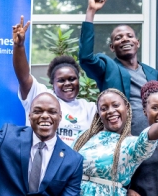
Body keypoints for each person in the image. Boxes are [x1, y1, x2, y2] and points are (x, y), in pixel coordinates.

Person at [78, 0, 158, 135]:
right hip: (121, 140)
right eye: (118, 38)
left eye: (130, 36)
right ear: (112, 47)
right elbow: (85, 58)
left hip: (152, 138)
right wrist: (91, 11)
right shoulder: (107, 68)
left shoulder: (153, 74)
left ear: (137, 42)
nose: (125, 39)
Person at [12, 15, 97, 146]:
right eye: (61, 80)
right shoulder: (41, 95)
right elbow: (23, 77)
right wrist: (19, 46)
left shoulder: (89, 108)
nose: (67, 83)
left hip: (76, 159)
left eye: (72, 79)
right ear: (52, 84)